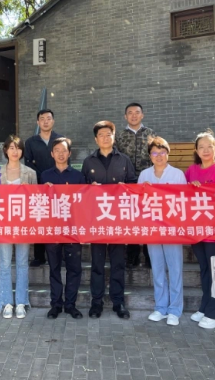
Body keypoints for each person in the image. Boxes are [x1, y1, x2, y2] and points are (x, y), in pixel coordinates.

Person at [82, 120, 137, 319]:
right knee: (97, 264)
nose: (105, 138)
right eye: (101, 135)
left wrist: (125, 187)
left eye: (108, 134)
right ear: (96, 139)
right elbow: (81, 190)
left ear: (114, 137)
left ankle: (118, 302)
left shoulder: (124, 160)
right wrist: (90, 188)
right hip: (97, 220)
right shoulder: (88, 162)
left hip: (118, 220)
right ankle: (96, 302)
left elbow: (134, 185)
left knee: (118, 263)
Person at [184, 130, 215, 329]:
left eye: (209, 146)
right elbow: (182, 196)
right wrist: (191, 187)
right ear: (196, 150)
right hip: (197, 230)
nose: (205, 150)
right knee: (205, 269)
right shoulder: (191, 170)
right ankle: (205, 307)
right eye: (201, 147)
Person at [138, 137, 186, 326]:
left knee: (175, 270)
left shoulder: (177, 174)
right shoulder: (144, 175)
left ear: (168, 153)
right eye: (155, 153)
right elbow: (138, 202)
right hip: (152, 229)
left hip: (172, 230)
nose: (159, 156)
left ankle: (175, 310)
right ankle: (160, 307)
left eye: (162, 152)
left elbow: (184, 201)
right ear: (150, 156)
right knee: (157, 270)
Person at [0, 135, 37, 319]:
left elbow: (36, 201)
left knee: (23, 263)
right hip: (4, 225)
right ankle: (6, 302)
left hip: (23, 224)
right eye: (11, 147)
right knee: (5, 263)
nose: (15, 151)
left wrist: (29, 191)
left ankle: (22, 302)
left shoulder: (30, 173)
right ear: (5, 150)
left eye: (18, 147)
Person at [41, 137, 86, 319]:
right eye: (57, 150)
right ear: (52, 154)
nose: (61, 154)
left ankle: (70, 305)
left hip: (72, 230)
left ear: (69, 153)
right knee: (54, 268)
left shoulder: (78, 176)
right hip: (52, 230)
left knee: (74, 269)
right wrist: (44, 190)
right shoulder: (45, 176)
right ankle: (56, 305)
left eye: (64, 150)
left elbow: (84, 203)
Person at [116, 102, 155, 269]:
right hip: (128, 182)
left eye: (137, 112)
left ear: (142, 115)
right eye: (130, 113)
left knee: (147, 217)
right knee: (131, 218)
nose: (134, 115)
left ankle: (148, 255)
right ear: (125, 116)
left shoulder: (150, 133)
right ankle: (132, 256)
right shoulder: (119, 136)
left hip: (147, 181)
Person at [24, 109, 63, 267]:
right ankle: (39, 256)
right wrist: (43, 179)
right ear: (37, 122)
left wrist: (54, 178)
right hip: (39, 186)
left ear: (53, 121)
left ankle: (60, 255)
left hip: (58, 186)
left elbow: (64, 160)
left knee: (58, 220)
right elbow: (28, 164)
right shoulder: (30, 142)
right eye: (42, 119)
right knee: (39, 219)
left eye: (48, 118)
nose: (45, 121)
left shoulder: (60, 140)